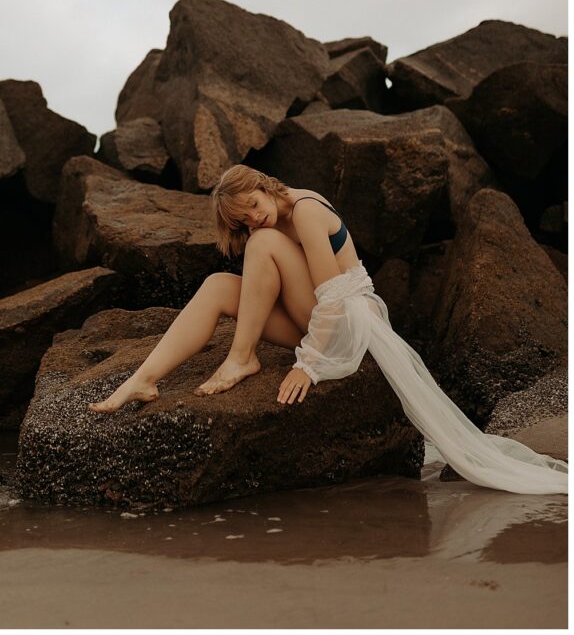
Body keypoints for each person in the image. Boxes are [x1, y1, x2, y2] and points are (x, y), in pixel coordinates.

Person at [88, 165, 568, 496]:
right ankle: (144, 379)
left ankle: (240, 357)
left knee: (263, 244)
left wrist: (310, 367)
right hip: (317, 312)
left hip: (348, 319)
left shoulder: (305, 211)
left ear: (262, 185)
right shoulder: (274, 219)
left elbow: (334, 295)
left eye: (253, 205)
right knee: (216, 284)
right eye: (243, 218)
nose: (254, 217)